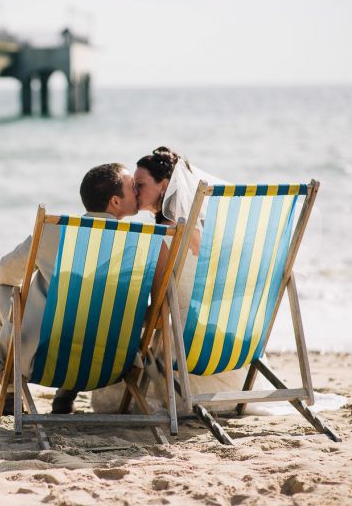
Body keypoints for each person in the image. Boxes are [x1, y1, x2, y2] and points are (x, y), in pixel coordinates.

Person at [91, 147, 249, 414]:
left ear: (164, 186)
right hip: (227, 345)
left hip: (186, 349)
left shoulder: (163, 234)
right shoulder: (207, 229)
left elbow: (159, 308)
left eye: (140, 185)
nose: (135, 192)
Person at [0, 163, 140, 416]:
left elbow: (6, 271)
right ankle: (66, 395)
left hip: (46, 359)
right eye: (133, 187)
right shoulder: (142, 242)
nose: (138, 190)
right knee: (93, 311)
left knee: (4, 290)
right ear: (116, 202)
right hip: (114, 362)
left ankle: (9, 394)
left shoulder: (54, 231)